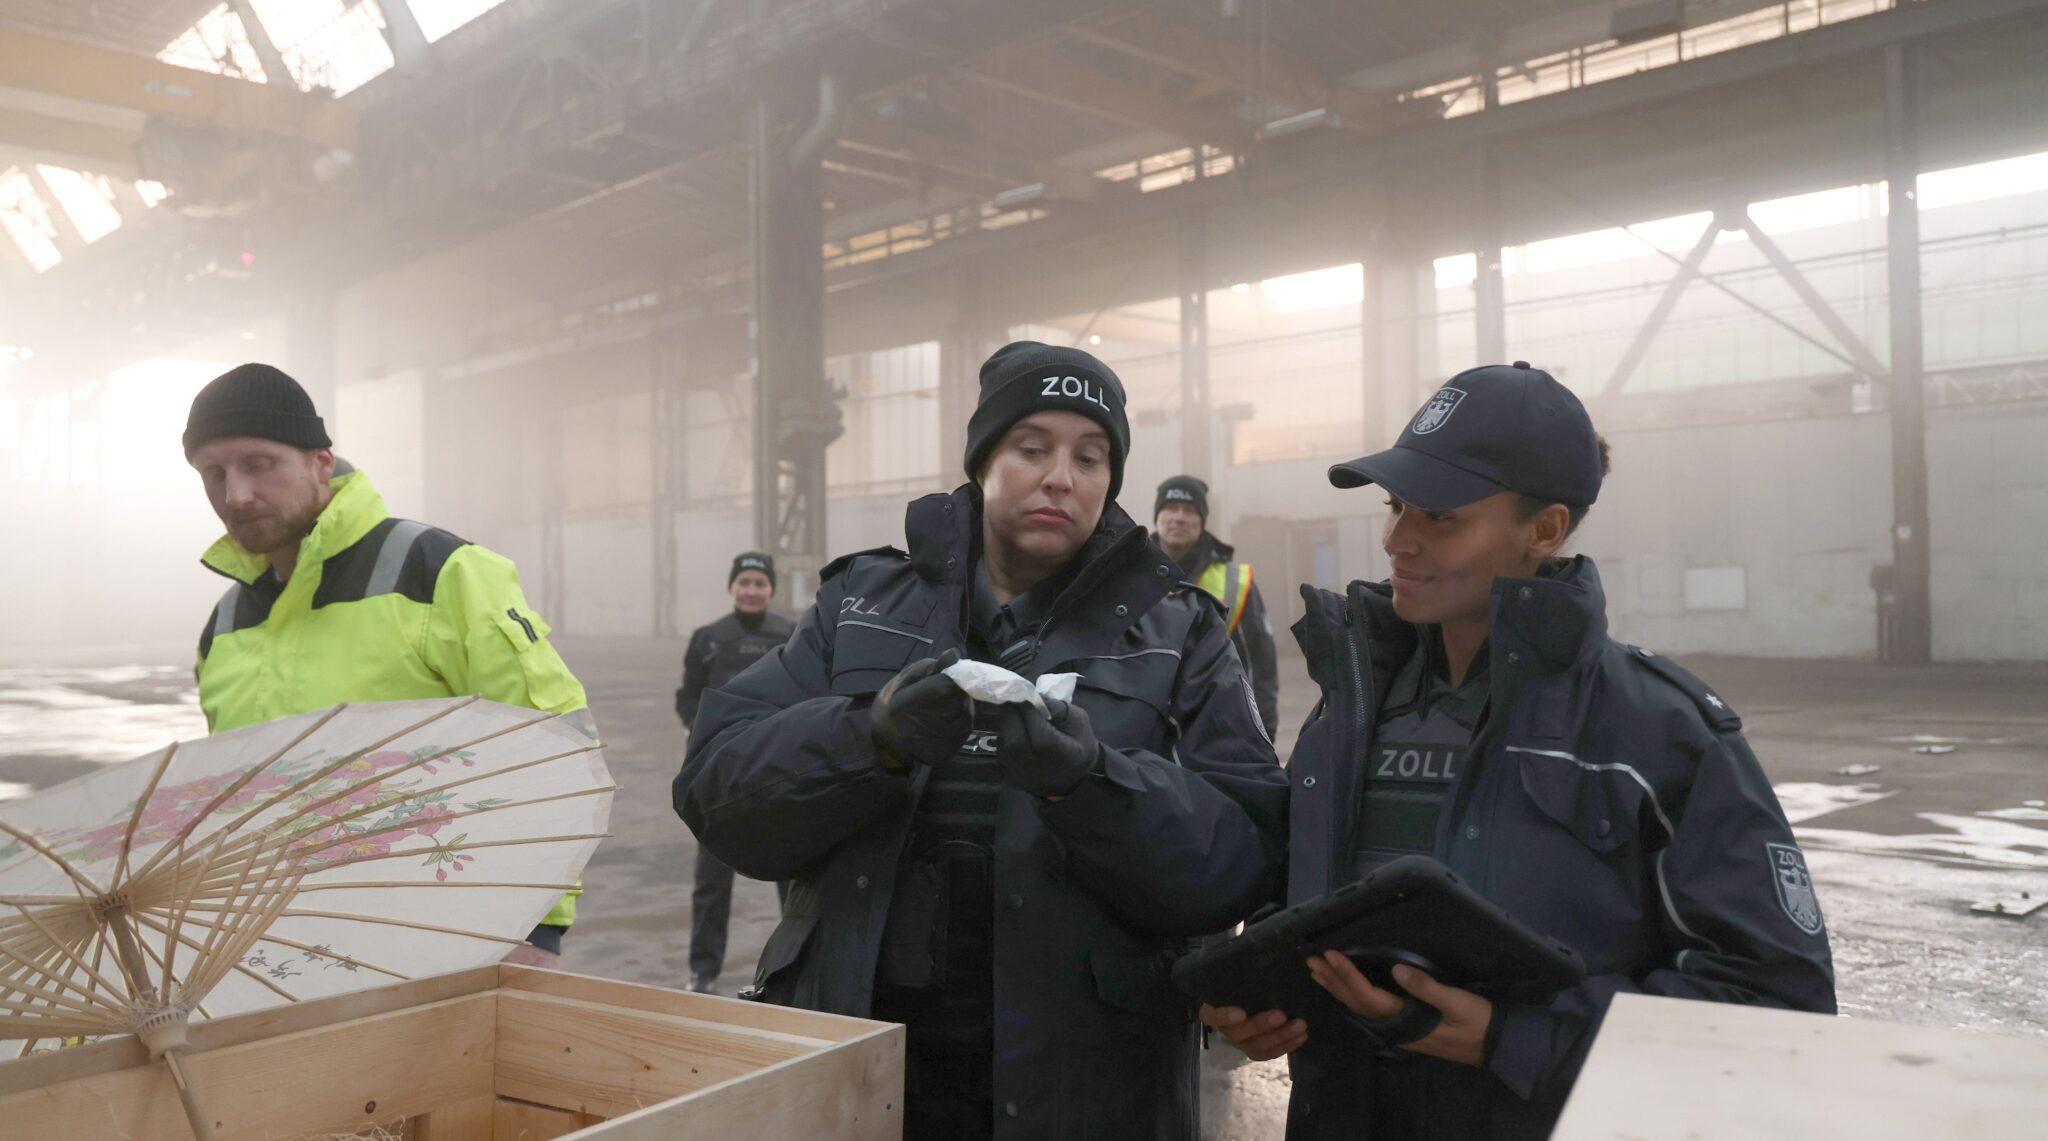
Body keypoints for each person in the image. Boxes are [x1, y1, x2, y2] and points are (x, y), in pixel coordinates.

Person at [1200, 362, 1837, 1139]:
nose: (1398, 538)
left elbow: (1781, 1003)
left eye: (1440, 515)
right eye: (1396, 504)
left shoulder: (1657, 734)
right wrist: (1268, 994)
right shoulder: (1351, 712)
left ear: (1545, 530)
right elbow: (1305, 902)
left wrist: (1516, 1037)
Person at [674, 342, 1289, 1140]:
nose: (1061, 477)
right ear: (982, 460)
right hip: (863, 1075)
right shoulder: (860, 604)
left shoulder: (1181, 634)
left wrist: (1091, 782)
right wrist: (873, 737)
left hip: (1087, 1088)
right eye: (1031, 448)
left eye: (1092, 456)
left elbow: (1246, 853)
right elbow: (716, 787)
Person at [185, 362, 592, 966]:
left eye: (259, 464)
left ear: (321, 462)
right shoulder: (224, 628)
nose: (235, 495)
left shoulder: (438, 572)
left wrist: (535, 929)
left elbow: (551, 744)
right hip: (282, 948)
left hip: (451, 936)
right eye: (213, 473)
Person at [676, 551, 795, 994]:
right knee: (711, 880)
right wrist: (702, 728)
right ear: (731, 587)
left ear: (771, 590)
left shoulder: (792, 635)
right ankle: (702, 972)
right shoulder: (707, 639)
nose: (750, 590)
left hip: (779, 770)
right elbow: (687, 696)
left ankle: (796, 966)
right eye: (743, 582)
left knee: (794, 874)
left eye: (759, 583)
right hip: (719, 773)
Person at [1152, 475, 1279, 739]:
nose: (1178, 517)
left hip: (1215, 731)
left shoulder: (1236, 582)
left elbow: (1259, 665)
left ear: (1202, 522)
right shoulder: (1129, 574)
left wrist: (1263, 733)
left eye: (1188, 510)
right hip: (1145, 731)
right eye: (1171, 508)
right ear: (1157, 516)